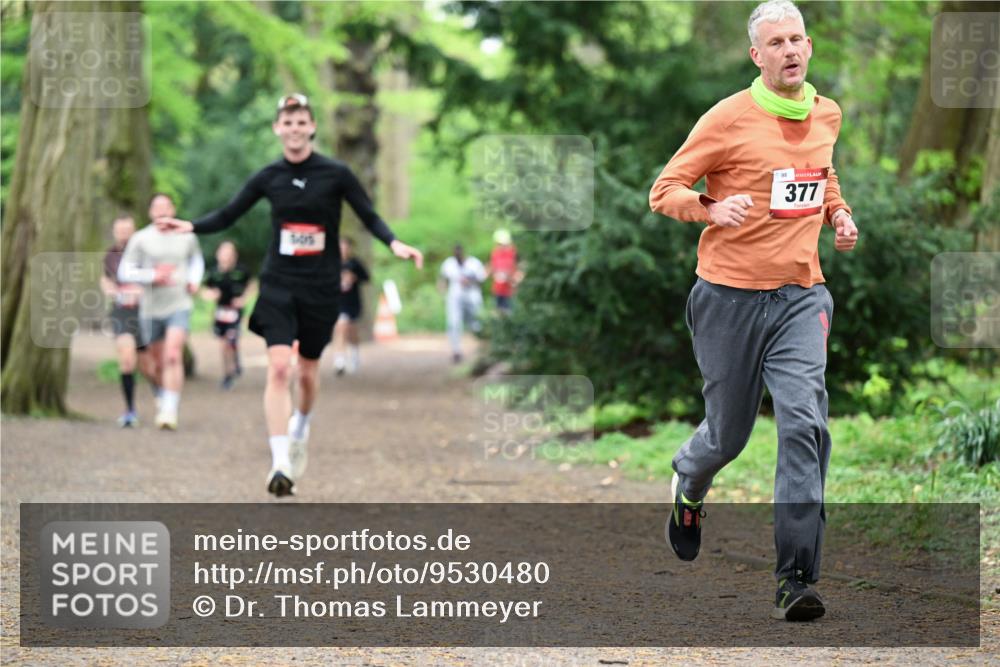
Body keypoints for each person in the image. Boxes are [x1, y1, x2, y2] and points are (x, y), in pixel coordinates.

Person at [648, 0, 859, 622]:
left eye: (797, 39)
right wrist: (710, 209)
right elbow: (665, 190)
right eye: (776, 43)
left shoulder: (826, 113)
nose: (789, 50)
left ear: (809, 46)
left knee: (804, 425)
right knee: (728, 434)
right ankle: (690, 481)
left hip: (800, 295)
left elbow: (822, 175)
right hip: (728, 300)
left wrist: (839, 213)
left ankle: (797, 578)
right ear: (756, 55)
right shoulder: (728, 117)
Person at [156, 93, 423, 497]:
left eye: (301, 122)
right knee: (279, 368)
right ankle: (280, 462)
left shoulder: (336, 173)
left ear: (311, 127)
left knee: (307, 374)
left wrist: (395, 243)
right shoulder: (269, 177)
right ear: (277, 128)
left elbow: (368, 215)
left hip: (320, 286)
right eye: (288, 122)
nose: (295, 129)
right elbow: (229, 214)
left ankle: (301, 425)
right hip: (279, 282)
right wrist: (190, 226)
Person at [118, 194, 204, 431]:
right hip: (151, 307)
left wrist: (194, 280)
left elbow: (196, 261)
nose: (161, 211)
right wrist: (152, 276)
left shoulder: (186, 235)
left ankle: (169, 411)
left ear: (172, 210)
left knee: (173, 355)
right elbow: (125, 271)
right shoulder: (140, 238)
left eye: (165, 206)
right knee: (155, 363)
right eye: (156, 207)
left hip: (179, 303)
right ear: (150, 212)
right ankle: (163, 396)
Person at [100, 214, 157, 427]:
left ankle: (161, 395)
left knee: (147, 365)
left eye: (127, 231)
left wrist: (142, 292)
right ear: (114, 232)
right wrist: (110, 289)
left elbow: (157, 278)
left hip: (145, 312)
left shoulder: (146, 253)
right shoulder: (110, 255)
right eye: (120, 231)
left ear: (134, 232)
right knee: (126, 359)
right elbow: (105, 279)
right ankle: (130, 411)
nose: (123, 235)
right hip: (121, 312)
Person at [202, 241, 252, 390]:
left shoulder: (241, 271)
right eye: (223, 253)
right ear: (218, 255)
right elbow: (203, 289)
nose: (226, 256)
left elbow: (252, 285)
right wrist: (210, 294)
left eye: (229, 253)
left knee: (229, 341)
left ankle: (229, 373)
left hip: (235, 312)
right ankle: (230, 368)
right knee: (224, 344)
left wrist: (243, 299)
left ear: (234, 255)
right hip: (220, 311)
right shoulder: (213, 272)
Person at [439, 244, 486, 363]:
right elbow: (442, 278)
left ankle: (483, 348)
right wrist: (442, 292)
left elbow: (482, 279)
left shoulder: (474, 263)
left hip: (472, 296)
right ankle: (456, 351)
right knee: (453, 323)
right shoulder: (449, 263)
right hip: (454, 297)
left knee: (476, 324)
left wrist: (470, 280)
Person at [332, 237, 369, 375]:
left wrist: (354, 277)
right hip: (337, 302)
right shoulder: (331, 263)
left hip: (352, 302)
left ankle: (354, 353)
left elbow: (366, 277)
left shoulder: (355, 263)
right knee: (340, 327)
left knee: (352, 331)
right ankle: (339, 360)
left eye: (345, 247)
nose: (343, 249)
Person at [488, 228, 521, 314]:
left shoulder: (513, 253)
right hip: (498, 288)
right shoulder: (495, 253)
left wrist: (514, 279)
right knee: (497, 312)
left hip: (509, 289)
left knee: (509, 312)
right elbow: (492, 268)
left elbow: (519, 269)